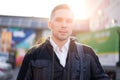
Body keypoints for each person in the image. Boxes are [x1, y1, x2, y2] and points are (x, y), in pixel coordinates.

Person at [17, 4, 109, 80]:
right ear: (50, 24)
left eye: (68, 21)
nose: (64, 25)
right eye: (59, 20)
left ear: (73, 24)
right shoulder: (33, 54)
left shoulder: (88, 53)